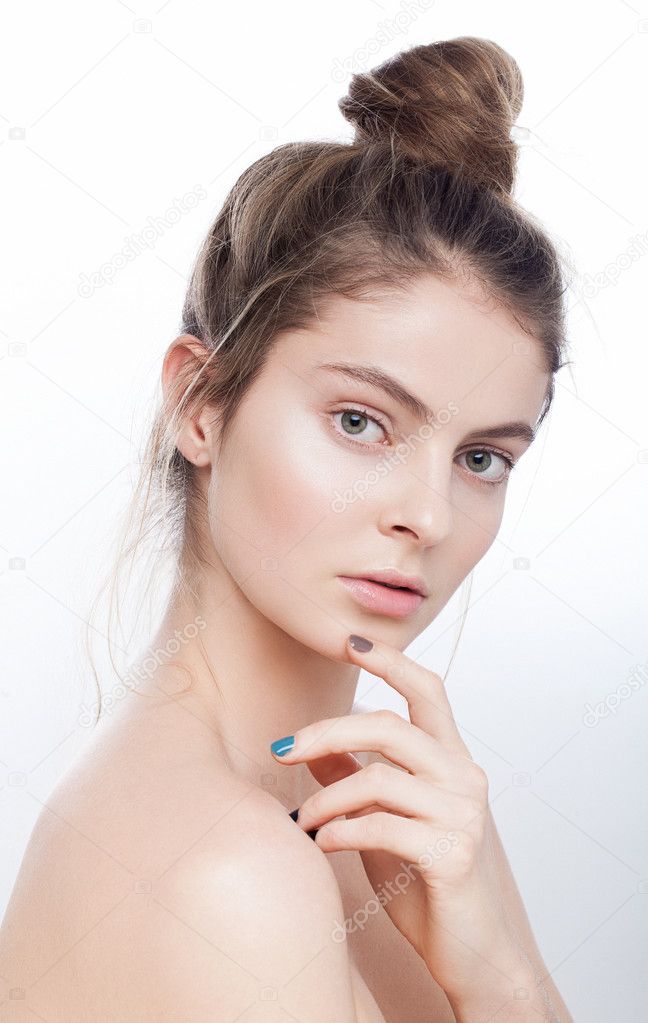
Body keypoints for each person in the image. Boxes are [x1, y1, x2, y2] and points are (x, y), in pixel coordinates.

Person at [0, 36, 574, 1021]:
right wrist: (503, 983)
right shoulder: (226, 875)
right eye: (360, 422)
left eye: (482, 457)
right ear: (201, 403)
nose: (429, 515)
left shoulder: (400, 820)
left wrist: (496, 958)